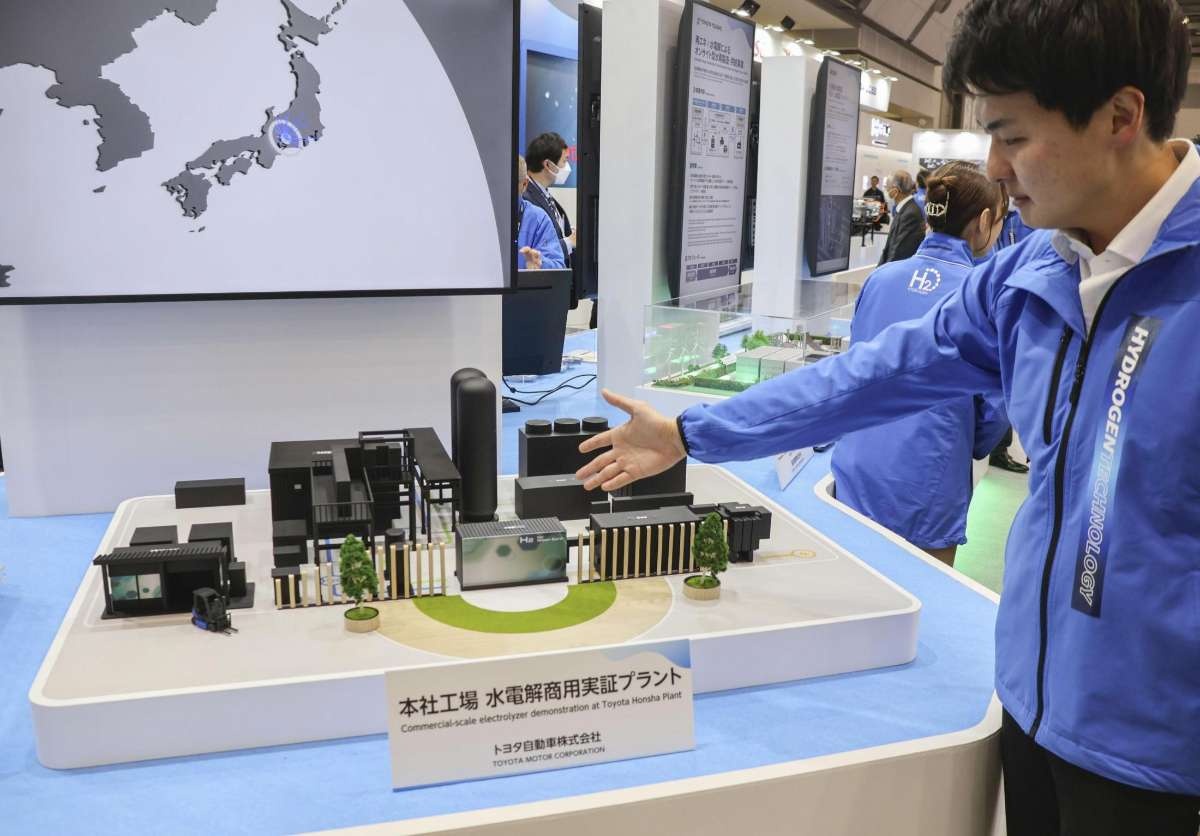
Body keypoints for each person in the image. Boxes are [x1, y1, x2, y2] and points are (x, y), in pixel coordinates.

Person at [576, 1, 1200, 832]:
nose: (996, 168)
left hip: (1162, 757)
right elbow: (875, 374)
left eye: (1013, 136)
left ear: (1121, 116)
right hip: (1032, 708)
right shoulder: (1030, 276)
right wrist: (693, 433)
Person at [834, 161, 1010, 566]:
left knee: (853, 586)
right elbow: (996, 407)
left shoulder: (880, 279)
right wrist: (966, 439)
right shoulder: (983, 297)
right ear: (984, 221)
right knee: (919, 593)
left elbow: (853, 366)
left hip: (857, 464)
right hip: (927, 474)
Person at [986, 197, 1039, 473]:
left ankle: (1019, 448)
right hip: (996, 306)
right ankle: (996, 447)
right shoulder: (992, 219)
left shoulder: (1027, 220)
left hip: (1023, 309)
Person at [523, 132, 575, 267]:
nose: (567, 167)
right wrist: (569, 242)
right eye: (564, 161)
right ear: (548, 164)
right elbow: (533, 250)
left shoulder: (545, 195)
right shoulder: (525, 198)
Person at [515, 156, 564, 271]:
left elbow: (558, 268)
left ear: (524, 184)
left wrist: (541, 263)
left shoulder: (538, 219)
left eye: (510, 184)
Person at [876, 170, 923, 265]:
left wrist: (883, 271)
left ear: (895, 191)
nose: (886, 190)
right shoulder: (903, 209)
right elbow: (888, 248)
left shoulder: (910, 213)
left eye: (887, 187)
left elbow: (898, 252)